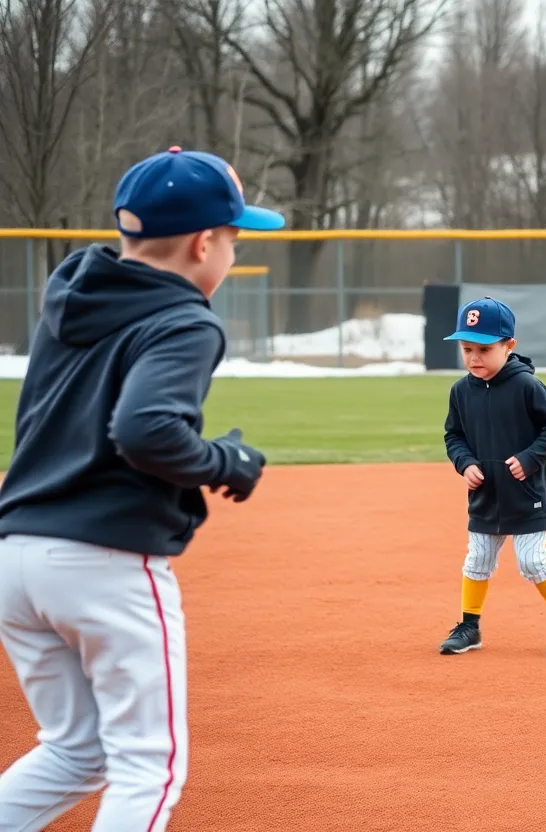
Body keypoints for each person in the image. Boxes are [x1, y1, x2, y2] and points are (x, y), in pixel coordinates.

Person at [0, 146, 280, 831]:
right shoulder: (186, 319)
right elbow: (147, 428)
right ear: (203, 242)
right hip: (103, 561)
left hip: (16, 553)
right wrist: (225, 461)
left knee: (75, 751)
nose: (232, 255)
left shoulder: (71, 292)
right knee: (149, 766)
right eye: (234, 239)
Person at [439, 296, 546, 657]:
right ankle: (470, 626)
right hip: (485, 493)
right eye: (467, 348)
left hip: (526, 490)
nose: (475, 357)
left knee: (533, 561)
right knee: (477, 561)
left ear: (510, 346)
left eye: (485, 349)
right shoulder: (461, 391)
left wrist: (530, 458)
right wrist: (465, 463)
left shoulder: (526, 386)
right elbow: (453, 435)